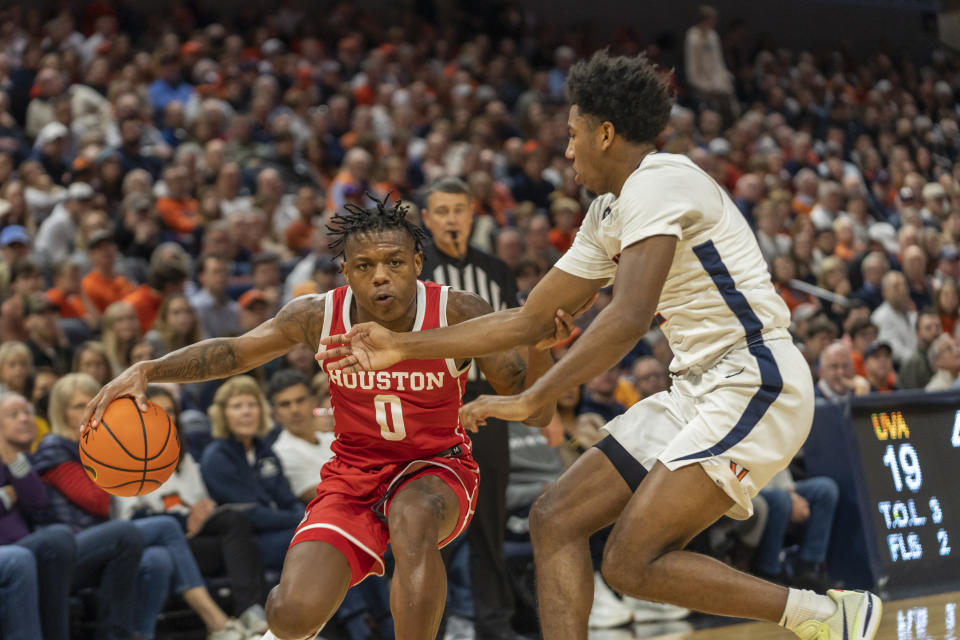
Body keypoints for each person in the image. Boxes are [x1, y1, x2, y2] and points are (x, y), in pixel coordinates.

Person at [318, 52, 880, 640]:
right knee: (554, 518)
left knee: (630, 562)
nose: (567, 151)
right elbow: (530, 318)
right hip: (697, 389)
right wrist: (402, 348)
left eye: (572, 134)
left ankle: (823, 615)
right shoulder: (608, 211)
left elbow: (628, 316)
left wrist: (536, 394)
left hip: (755, 378)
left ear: (604, 133)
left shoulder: (662, 181)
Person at [81, 197, 576, 640]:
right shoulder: (316, 315)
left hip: (437, 467)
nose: (380, 275)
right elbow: (234, 353)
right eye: (365, 265)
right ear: (345, 271)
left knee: (412, 517)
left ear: (418, 263)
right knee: (291, 615)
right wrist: (150, 369)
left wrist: (539, 347)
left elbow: (535, 408)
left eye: (394, 262)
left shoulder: (459, 310)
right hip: (353, 476)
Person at [32, 374, 248, 640]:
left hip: (105, 541)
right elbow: (98, 501)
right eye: (78, 406)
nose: (88, 411)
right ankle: (217, 623)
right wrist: (119, 459)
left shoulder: (98, 445)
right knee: (165, 526)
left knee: (158, 560)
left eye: (93, 403)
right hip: (71, 544)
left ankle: (139, 635)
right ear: (60, 412)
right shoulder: (56, 448)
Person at [419, 176, 528, 640]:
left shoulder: (496, 270)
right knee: (431, 526)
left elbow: (514, 339)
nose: (450, 219)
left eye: (458, 210)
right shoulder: (418, 276)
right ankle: (427, 627)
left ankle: (495, 624)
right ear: (426, 219)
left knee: (490, 523)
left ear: (471, 215)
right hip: (434, 413)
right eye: (441, 211)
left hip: (489, 410)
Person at [114, 386, 269, 636]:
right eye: (156, 411)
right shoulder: (121, 460)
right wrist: (185, 517)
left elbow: (203, 506)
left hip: (193, 541)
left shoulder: (182, 458)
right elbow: (129, 520)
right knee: (234, 542)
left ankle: (250, 613)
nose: (165, 418)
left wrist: (203, 510)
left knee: (235, 523)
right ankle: (225, 623)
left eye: (170, 412)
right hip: (157, 542)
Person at [201, 375, 304, 572]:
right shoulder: (216, 457)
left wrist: (306, 516)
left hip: (281, 529)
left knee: (338, 538)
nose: (246, 412)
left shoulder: (266, 450)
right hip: (249, 543)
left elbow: (287, 498)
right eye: (237, 406)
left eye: (252, 404)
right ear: (223, 415)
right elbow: (252, 515)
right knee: (323, 542)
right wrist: (301, 520)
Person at [267, 369, 335, 504]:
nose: (294, 410)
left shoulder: (331, 438)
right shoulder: (280, 452)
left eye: (300, 400)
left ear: (313, 402)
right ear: (275, 414)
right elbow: (317, 494)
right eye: (285, 404)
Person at [898, 308, 942, 389]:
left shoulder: (945, 357)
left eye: (938, 326)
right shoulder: (913, 362)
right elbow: (913, 397)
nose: (934, 331)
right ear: (917, 334)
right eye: (928, 328)